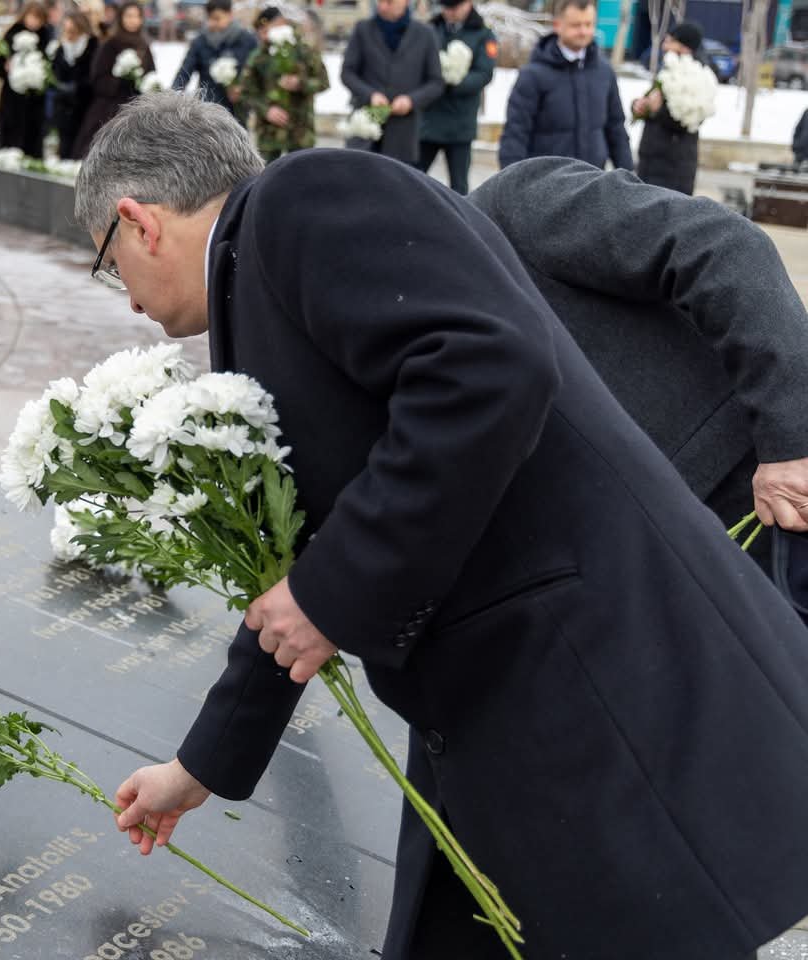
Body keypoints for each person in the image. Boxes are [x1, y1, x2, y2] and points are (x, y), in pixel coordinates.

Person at [75, 94, 808, 960]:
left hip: (581, 676)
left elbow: (486, 369)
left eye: (106, 264)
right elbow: (303, 570)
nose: (123, 299)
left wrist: (324, 592)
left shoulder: (304, 199)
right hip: (497, 706)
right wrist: (200, 766)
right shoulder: (259, 282)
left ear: (137, 220)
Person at [470, 156, 808, 562]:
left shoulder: (510, 210)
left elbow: (724, 247)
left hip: (757, 485)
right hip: (642, 553)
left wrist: (792, 440)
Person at [498, 0, 632, 171]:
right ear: (558, 25)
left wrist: (629, 175)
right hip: (547, 184)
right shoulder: (533, 76)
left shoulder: (604, 72)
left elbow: (616, 129)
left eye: (588, 24)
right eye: (576, 25)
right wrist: (511, 184)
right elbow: (515, 134)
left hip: (594, 181)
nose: (584, 31)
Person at [341, 0, 442, 166]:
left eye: (388, 1)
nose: (382, 6)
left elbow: (436, 82)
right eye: (379, 1)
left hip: (403, 132)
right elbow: (348, 73)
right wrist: (370, 95)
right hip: (365, 126)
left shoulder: (425, 34)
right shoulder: (363, 29)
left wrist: (411, 100)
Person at [416, 0, 495, 194]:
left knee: (459, 188)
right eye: (446, 7)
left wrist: (453, 82)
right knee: (414, 178)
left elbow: (484, 74)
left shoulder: (483, 33)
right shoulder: (431, 28)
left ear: (468, 4)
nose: (449, 12)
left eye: (454, 7)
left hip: (460, 124)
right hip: (429, 120)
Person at [238, 8, 329, 162]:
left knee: (304, 172)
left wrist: (301, 84)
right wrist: (266, 110)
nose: (264, 35)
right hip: (269, 133)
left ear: (282, 23)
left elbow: (324, 82)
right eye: (260, 31)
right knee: (267, 177)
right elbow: (246, 92)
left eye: (268, 29)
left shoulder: (304, 52)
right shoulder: (258, 57)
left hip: (300, 130)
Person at [631, 21, 707, 195]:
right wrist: (640, 106)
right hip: (652, 162)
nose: (665, 45)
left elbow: (690, 119)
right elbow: (653, 100)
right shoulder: (669, 70)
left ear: (684, 46)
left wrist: (657, 110)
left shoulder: (698, 76)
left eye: (670, 40)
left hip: (674, 167)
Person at [72, 0, 153, 158]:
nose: (133, 20)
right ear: (121, 18)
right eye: (129, 16)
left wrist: (146, 84)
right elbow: (97, 77)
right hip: (108, 109)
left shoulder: (144, 45)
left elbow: (150, 73)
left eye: (137, 16)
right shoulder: (111, 43)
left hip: (135, 108)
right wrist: (121, 78)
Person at [170, 0, 258, 122]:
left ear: (230, 15)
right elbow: (185, 72)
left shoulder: (247, 40)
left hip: (238, 111)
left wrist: (243, 88)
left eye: (217, 18)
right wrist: (173, 95)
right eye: (209, 18)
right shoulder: (200, 42)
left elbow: (257, 72)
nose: (212, 23)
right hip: (209, 111)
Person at [0, 1, 54, 157]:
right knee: (10, 128)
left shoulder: (45, 36)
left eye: (39, 19)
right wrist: (5, 67)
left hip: (34, 97)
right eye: (32, 17)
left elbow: (49, 64)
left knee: (31, 132)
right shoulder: (12, 33)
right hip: (12, 95)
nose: (34, 22)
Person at [50, 11, 98, 157]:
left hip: (85, 104)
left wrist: (77, 87)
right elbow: (55, 72)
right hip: (64, 105)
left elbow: (93, 75)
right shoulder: (61, 49)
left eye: (72, 29)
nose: (69, 32)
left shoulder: (92, 46)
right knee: (64, 144)